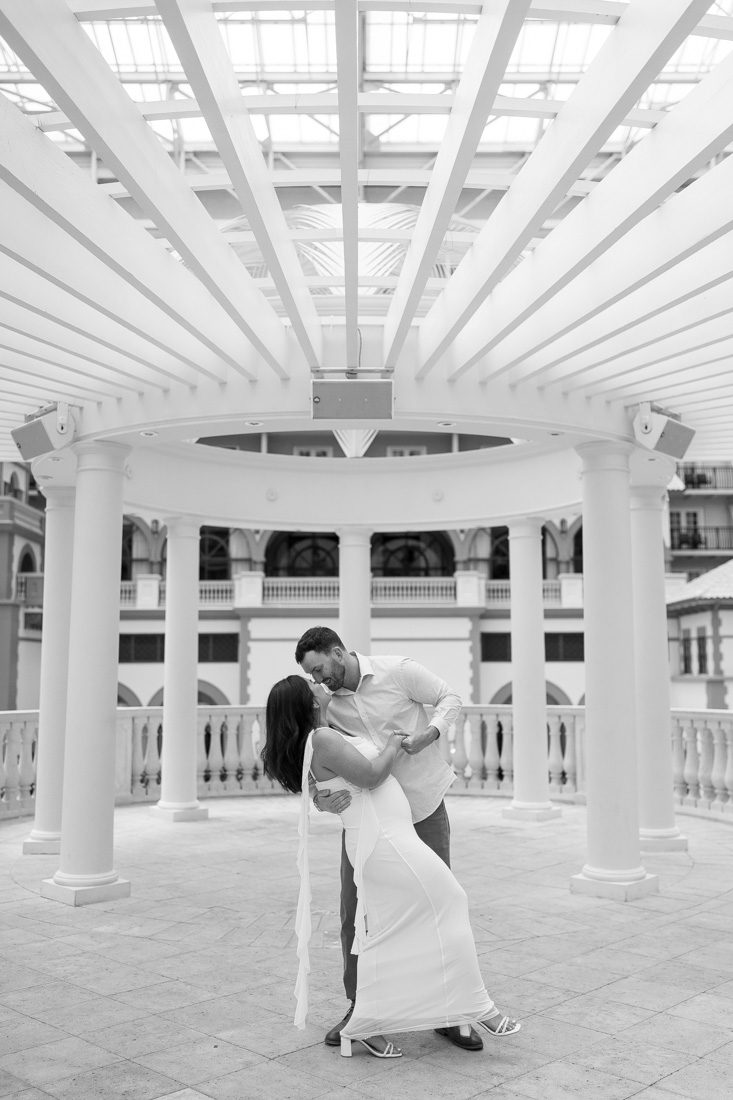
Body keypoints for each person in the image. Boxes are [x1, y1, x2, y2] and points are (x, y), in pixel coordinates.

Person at [262, 674, 520, 1059]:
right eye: (311, 683)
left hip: (385, 836)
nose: (319, 684)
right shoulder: (324, 738)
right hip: (383, 840)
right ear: (309, 702)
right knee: (451, 900)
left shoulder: (323, 735)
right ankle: (479, 1007)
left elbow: (331, 779)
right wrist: (391, 745)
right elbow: (370, 775)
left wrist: (320, 794)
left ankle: (367, 1025)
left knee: (382, 931)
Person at [293, 625, 491, 1053]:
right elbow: (314, 758)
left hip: (422, 808)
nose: (318, 680)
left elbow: (450, 698)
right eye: (311, 676)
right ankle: (359, 1008)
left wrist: (430, 733)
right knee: (354, 915)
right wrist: (319, 799)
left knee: (437, 910)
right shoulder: (325, 707)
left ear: (338, 652)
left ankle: (451, 1015)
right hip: (368, 823)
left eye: (320, 668)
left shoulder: (397, 671)